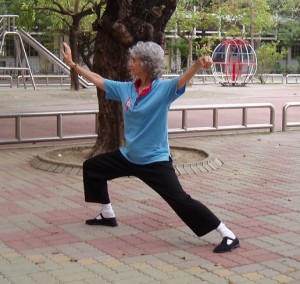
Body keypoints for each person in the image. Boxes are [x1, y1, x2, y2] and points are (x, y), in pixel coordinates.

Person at [61, 41, 240, 253]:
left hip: (155, 161)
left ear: (145, 64)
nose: (130, 63)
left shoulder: (163, 90)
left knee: (181, 201)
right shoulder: (128, 89)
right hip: (129, 157)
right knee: (93, 167)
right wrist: (73, 64)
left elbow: (182, 79)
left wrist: (199, 64)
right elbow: (99, 80)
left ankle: (227, 233)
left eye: (133, 60)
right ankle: (107, 214)